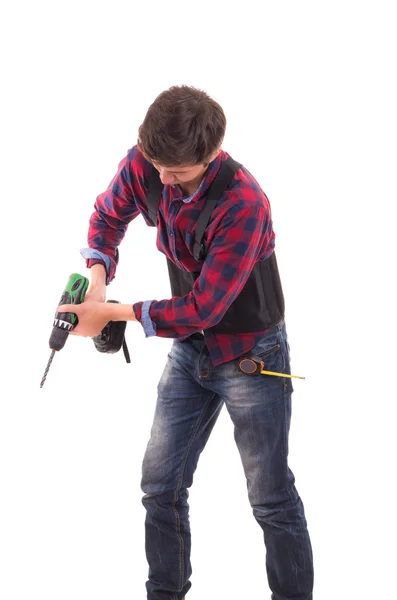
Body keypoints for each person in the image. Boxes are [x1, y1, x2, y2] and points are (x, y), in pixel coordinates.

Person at [58, 85, 314, 600]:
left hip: (251, 357)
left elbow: (205, 308)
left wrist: (112, 315)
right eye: (158, 167)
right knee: (160, 486)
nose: (164, 180)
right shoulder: (147, 162)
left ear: (212, 154)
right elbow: (107, 218)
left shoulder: (245, 203)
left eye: (178, 172)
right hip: (190, 347)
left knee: (270, 498)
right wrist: (98, 275)